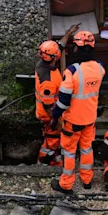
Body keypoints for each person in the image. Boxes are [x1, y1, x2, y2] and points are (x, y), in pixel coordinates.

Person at [50, 30, 105, 194]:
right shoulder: (100, 69)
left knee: (69, 152)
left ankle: (66, 185)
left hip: (72, 122)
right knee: (87, 149)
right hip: (90, 119)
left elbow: (64, 101)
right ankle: (87, 180)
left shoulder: (72, 71)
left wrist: (55, 116)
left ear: (76, 48)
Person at [34, 24, 79, 166]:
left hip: (52, 111)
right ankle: (44, 162)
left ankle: (54, 159)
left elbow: (60, 45)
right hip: (49, 115)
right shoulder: (47, 80)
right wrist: (58, 121)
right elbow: (48, 106)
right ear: (54, 58)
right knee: (51, 140)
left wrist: (69, 32)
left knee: (55, 139)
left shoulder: (44, 62)